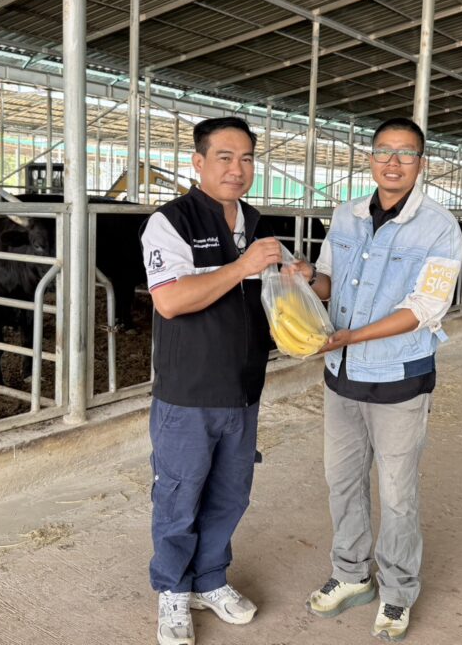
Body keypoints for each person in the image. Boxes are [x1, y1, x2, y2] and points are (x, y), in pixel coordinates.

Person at [290, 118, 462, 642]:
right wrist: (307, 278)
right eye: (383, 151)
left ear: (421, 163)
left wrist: (350, 337)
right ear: (369, 159)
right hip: (341, 375)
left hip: (398, 377)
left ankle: (397, 591)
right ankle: (351, 574)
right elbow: (329, 281)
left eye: (405, 153)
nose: (393, 162)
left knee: (397, 493)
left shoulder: (439, 228)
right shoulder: (346, 215)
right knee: (342, 481)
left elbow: (424, 309)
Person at [139, 116, 283, 645]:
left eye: (247, 158)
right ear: (198, 162)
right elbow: (171, 300)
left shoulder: (257, 223)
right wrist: (243, 266)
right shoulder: (170, 221)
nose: (237, 169)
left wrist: (301, 279)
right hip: (189, 391)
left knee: (230, 493)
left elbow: (282, 293)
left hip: (243, 388)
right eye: (224, 157)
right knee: (179, 495)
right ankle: (173, 589)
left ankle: (210, 579)